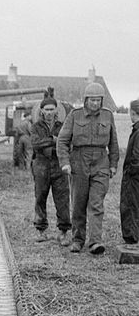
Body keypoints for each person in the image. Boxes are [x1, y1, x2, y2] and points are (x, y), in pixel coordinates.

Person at [57, 82, 119, 254]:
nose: (95, 104)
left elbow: (113, 143)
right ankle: (78, 239)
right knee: (78, 202)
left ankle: (95, 242)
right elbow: (62, 141)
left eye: (98, 100)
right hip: (79, 161)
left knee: (96, 203)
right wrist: (65, 162)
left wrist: (113, 164)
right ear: (85, 100)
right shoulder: (74, 116)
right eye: (92, 100)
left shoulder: (108, 116)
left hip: (101, 161)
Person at [30, 97, 71, 245]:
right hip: (41, 164)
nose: (49, 112)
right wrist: (54, 140)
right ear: (41, 111)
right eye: (46, 109)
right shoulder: (36, 127)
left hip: (58, 164)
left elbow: (67, 143)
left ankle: (63, 232)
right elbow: (35, 143)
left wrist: (51, 141)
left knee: (62, 198)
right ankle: (41, 230)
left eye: (51, 109)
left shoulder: (63, 126)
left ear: (56, 110)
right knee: (40, 196)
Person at [120, 98, 139, 245]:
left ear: (133, 113)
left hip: (134, 177)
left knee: (131, 205)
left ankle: (132, 238)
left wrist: (130, 171)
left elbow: (136, 157)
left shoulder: (138, 132)